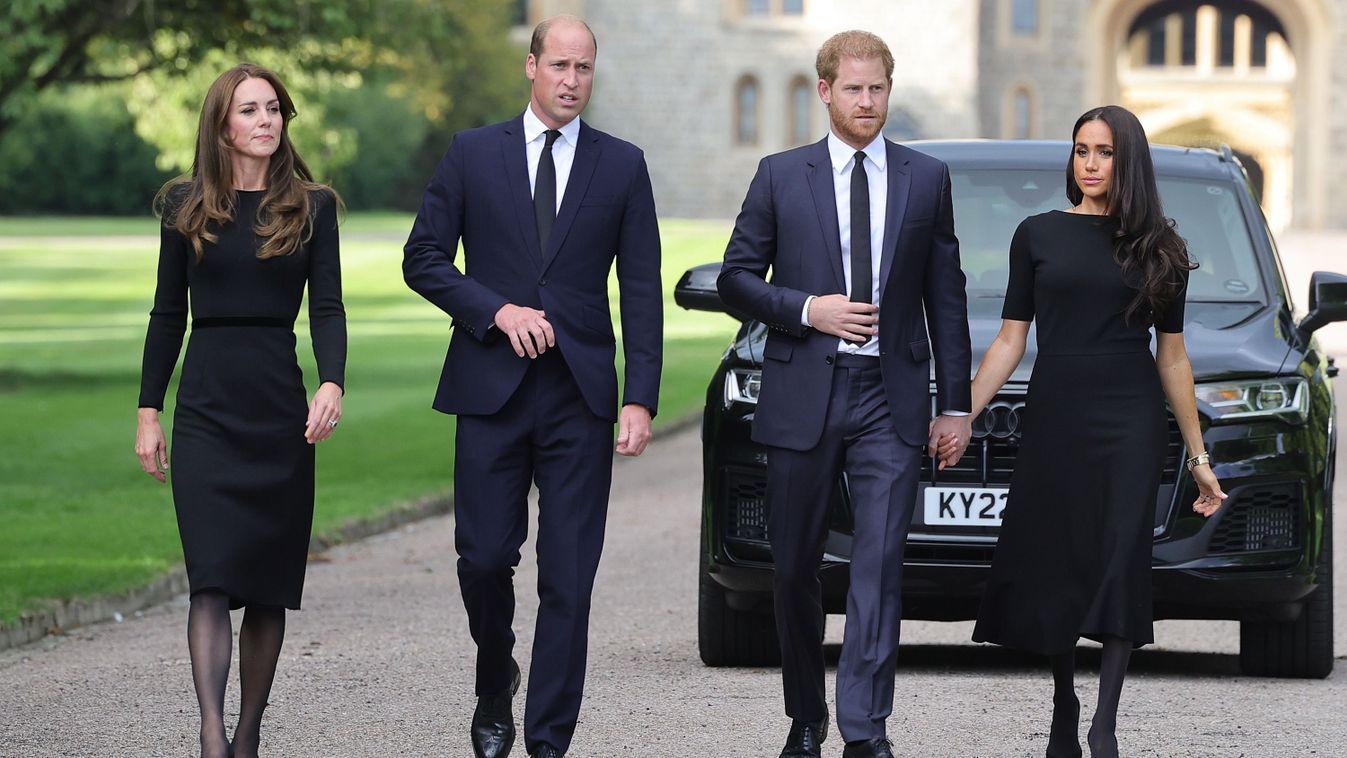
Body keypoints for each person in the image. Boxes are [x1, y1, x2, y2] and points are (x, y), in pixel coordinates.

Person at [402, 15, 662, 758]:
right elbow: (422, 258)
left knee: (570, 581)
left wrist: (639, 395)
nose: (572, 81)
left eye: (584, 68)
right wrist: (495, 310)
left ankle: (548, 742)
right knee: (483, 558)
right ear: (531, 66)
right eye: (559, 66)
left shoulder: (621, 166)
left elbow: (639, 289)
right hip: (490, 390)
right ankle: (495, 676)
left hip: (579, 399)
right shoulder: (472, 154)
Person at [717, 30, 972, 758]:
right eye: (853, 88)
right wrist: (807, 310)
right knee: (793, 565)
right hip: (803, 393)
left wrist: (953, 404)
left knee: (879, 566)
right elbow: (736, 278)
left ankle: (864, 729)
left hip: (888, 400)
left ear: (889, 90)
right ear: (824, 91)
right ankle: (806, 714)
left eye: (878, 88)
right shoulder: (777, 176)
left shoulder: (926, 178)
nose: (867, 101)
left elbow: (944, 297)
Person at [947, 105, 1226, 758]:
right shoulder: (1037, 234)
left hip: (1128, 417)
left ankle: (1104, 723)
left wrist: (1196, 457)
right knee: (1059, 558)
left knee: (1119, 554)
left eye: (1103, 152)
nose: (1090, 163)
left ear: (1126, 161)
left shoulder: (1163, 248)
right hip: (1056, 412)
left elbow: (1172, 357)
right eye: (1080, 151)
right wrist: (961, 413)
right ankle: (1064, 701)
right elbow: (1009, 341)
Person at [134, 64, 346, 758]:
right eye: (250, 109)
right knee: (212, 576)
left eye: (274, 109)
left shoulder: (312, 207)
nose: (266, 120)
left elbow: (327, 308)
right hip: (205, 408)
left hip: (277, 409)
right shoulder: (184, 206)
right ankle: (211, 737)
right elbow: (168, 315)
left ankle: (248, 734)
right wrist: (148, 412)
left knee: (266, 585)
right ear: (221, 124)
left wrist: (331, 383)